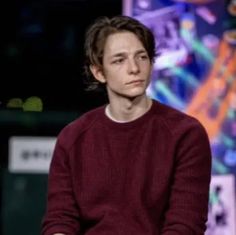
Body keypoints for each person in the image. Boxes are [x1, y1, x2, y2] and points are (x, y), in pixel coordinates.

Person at [41, 15, 212, 235]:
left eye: (141, 57)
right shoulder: (73, 137)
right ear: (99, 72)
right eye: (119, 60)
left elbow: (185, 224)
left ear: (151, 63)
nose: (134, 68)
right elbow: (60, 219)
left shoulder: (185, 134)